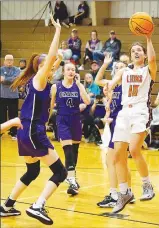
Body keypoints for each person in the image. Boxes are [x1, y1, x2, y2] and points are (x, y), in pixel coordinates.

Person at [0, 15, 67, 225]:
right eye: (47, 61)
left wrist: (60, 58)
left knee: (33, 170)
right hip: (32, 130)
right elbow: (52, 58)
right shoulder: (39, 79)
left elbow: (55, 61)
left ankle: (7, 205)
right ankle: (38, 206)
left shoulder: (37, 80)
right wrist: (57, 31)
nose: (51, 64)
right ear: (41, 66)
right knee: (60, 172)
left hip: (24, 130)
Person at [108, 35, 157, 213]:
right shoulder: (124, 72)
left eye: (139, 50)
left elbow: (152, 59)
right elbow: (112, 83)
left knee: (134, 149)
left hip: (140, 111)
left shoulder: (148, 71)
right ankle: (124, 193)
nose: (136, 52)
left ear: (143, 55)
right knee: (117, 156)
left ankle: (147, 185)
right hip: (124, 112)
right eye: (133, 51)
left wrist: (148, 38)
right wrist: (109, 87)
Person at [95, 54, 135, 207]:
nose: (119, 70)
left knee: (111, 160)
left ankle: (114, 194)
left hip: (121, 124)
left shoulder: (127, 85)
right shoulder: (112, 84)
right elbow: (98, 80)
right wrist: (105, 64)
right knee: (121, 161)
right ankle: (128, 193)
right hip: (114, 125)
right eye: (117, 68)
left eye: (122, 67)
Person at [50, 63, 90, 195]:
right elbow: (50, 106)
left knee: (74, 150)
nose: (71, 71)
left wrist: (79, 85)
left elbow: (88, 101)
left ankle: (71, 175)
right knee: (67, 150)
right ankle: (72, 179)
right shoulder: (56, 86)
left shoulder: (78, 86)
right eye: (68, 69)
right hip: (62, 120)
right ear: (63, 71)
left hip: (75, 120)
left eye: (73, 69)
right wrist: (46, 121)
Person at [0, 54, 21, 140]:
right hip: (2, 95)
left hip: (13, 95)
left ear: (13, 61)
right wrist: (8, 80)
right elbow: (2, 80)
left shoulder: (17, 70)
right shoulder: (1, 69)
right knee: (2, 115)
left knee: (13, 115)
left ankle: (13, 133)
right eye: (7, 59)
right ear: (4, 61)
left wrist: (5, 79)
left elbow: (15, 80)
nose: (9, 61)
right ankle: (1, 132)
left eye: (11, 60)